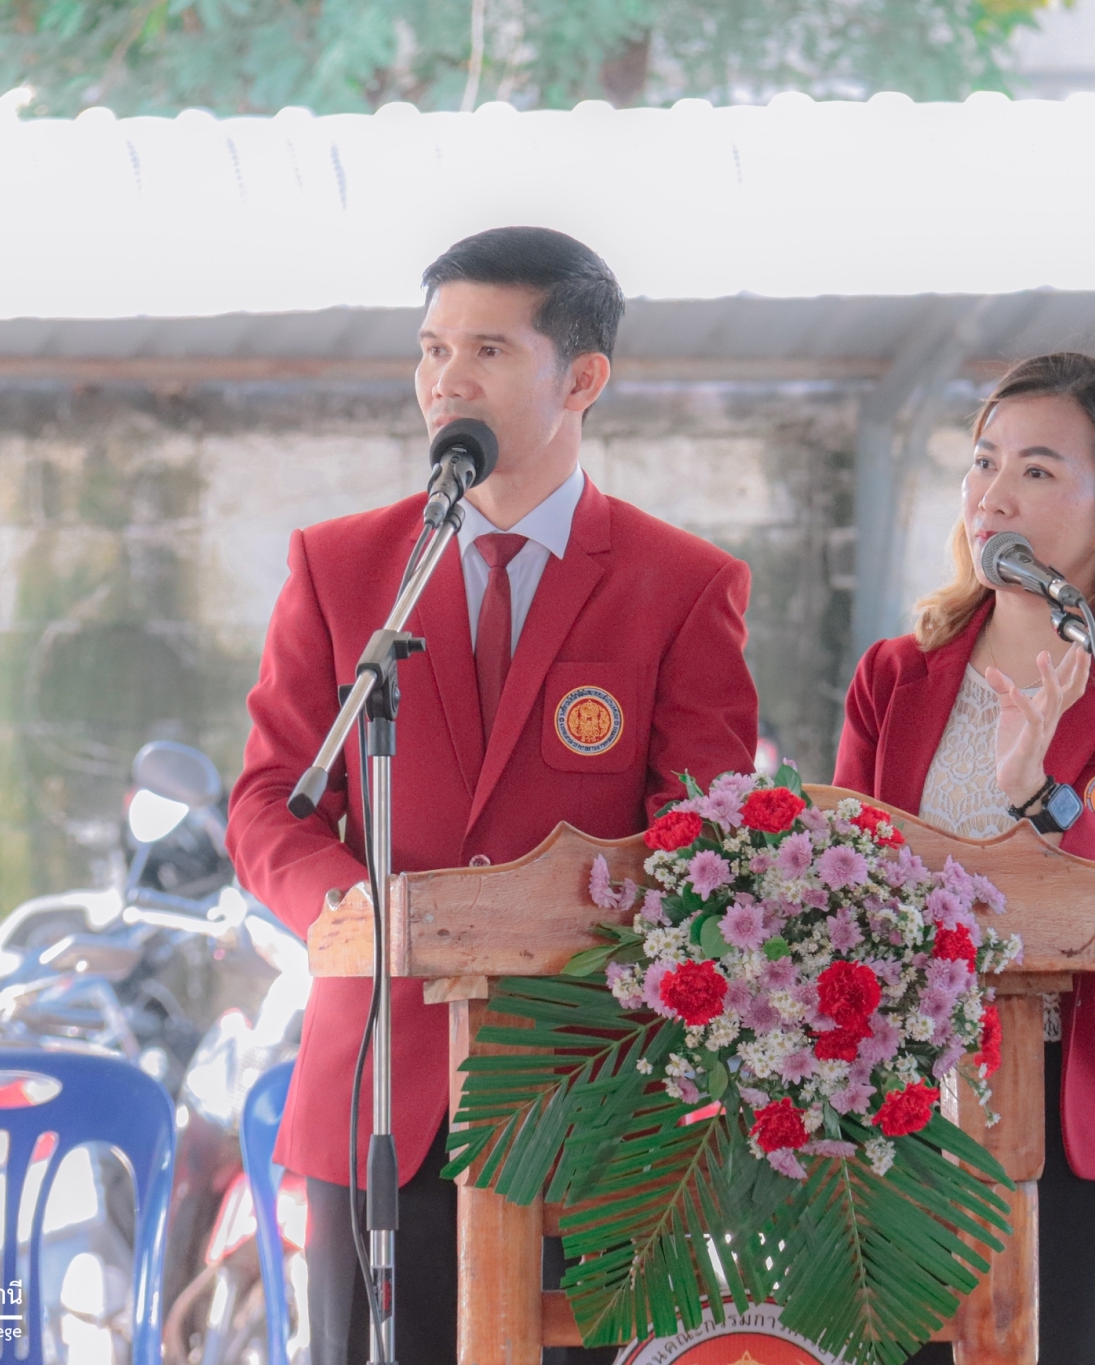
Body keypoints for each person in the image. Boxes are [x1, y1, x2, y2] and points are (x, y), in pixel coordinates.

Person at [228, 226, 760, 1365]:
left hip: (589, 1094)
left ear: (582, 378)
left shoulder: (682, 585)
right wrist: (354, 910)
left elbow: (706, 844)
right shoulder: (341, 566)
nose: (446, 382)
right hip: (383, 1083)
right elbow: (273, 800)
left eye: (487, 350)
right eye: (431, 350)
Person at [833, 352, 1095, 1365]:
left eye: (1037, 471)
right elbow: (842, 883)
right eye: (983, 462)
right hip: (917, 1107)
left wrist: (1043, 795)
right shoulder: (894, 676)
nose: (993, 495)